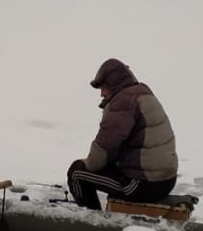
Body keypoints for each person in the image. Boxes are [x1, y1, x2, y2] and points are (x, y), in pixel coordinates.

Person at [67, 58, 178, 210]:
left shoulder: (123, 102)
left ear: (114, 84)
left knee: (77, 173)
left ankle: (93, 223)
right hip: (165, 180)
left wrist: (87, 162)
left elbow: (102, 152)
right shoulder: (141, 92)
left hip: (143, 185)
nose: (102, 93)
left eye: (104, 87)